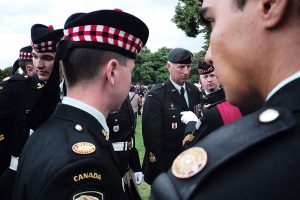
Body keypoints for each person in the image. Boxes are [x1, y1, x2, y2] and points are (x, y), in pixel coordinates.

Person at [151, 0, 300, 199]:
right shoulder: (156, 94)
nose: (208, 55)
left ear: (270, 5)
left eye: (212, 20)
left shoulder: (209, 187)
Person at [13, 9, 149, 200]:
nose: (130, 80)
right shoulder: (84, 165)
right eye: (131, 71)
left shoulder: (47, 129)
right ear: (112, 72)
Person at [0, 24, 63, 200]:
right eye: (35, 57)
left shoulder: (73, 91)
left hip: (59, 179)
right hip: (20, 178)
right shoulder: (16, 89)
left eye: (47, 58)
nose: (38, 64)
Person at [142, 47, 202, 185]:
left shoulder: (193, 91)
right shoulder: (156, 95)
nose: (186, 71)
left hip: (191, 161)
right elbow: (152, 140)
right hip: (168, 165)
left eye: (188, 66)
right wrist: (161, 174)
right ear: (168, 66)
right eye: (181, 67)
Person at [182, 61, 243, 148]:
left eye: (212, 75)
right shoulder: (196, 98)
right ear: (200, 80)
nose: (209, 79)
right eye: (205, 77)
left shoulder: (230, 97)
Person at [107, 95, 143, 199]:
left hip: (126, 163)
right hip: (110, 165)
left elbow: (129, 136)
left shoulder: (124, 96)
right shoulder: (102, 96)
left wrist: (136, 166)